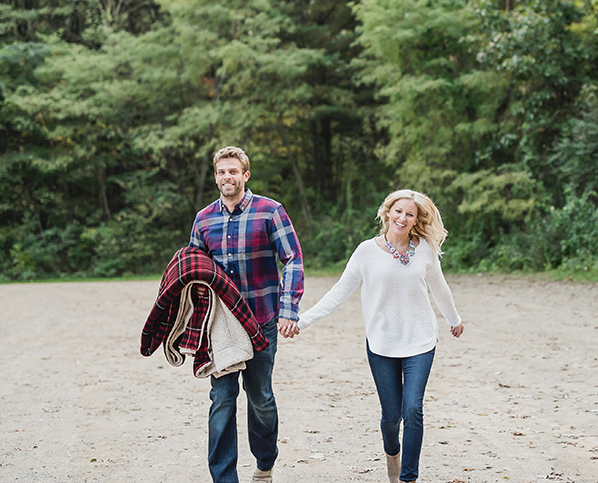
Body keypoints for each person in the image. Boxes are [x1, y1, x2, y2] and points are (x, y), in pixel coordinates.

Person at [282, 189, 464, 483]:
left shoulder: (425, 251)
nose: (403, 218)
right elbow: (339, 293)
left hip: (420, 339)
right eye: (399, 211)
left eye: (410, 214)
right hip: (381, 343)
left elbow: (439, 288)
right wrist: (301, 321)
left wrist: (454, 319)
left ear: (416, 220)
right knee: (392, 418)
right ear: (387, 212)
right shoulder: (366, 252)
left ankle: (408, 478)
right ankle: (393, 456)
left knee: (413, 409)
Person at [190, 146, 304, 483]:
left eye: (233, 171)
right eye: (222, 172)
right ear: (215, 177)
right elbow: (196, 269)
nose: (227, 177)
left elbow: (293, 258)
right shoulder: (203, 218)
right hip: (221, 326)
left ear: (245, 175)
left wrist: (288, 310)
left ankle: (265, 463)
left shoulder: (270, 211)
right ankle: (224, 478)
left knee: (260, 398)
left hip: (262, 321)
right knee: (222, 400)